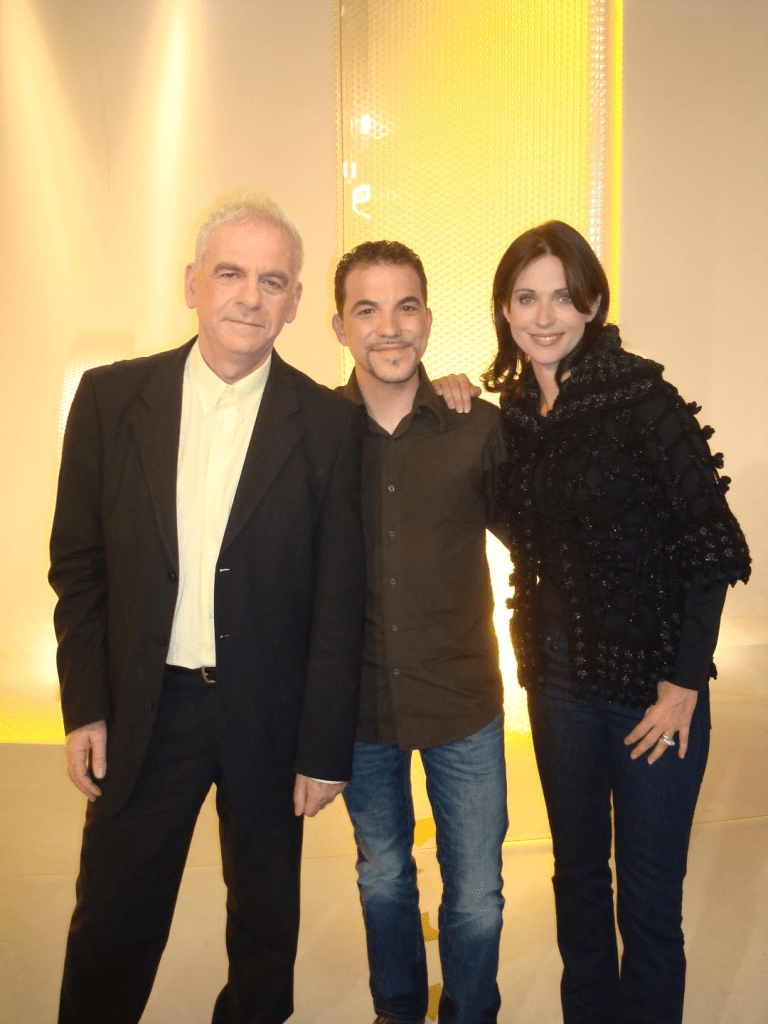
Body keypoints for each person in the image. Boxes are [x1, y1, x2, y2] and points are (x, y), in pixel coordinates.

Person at [49, 190, 365, 1024]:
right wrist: (86, 706)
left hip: (270, 715)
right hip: (145, 708)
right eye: (230, 274)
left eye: (272, 281)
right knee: (112, 920)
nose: (249, 297)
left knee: (265, 929)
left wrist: (324, 746)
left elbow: (340, 603)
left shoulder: (330, 427)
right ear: (192, 282)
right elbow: (79, 568)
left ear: (295, 302)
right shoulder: (111, 401)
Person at [482, 220, 750, 1024]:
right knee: (576, 879)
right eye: (526, 298)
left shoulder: (642, 399)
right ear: (504, 309)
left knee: (649, 900)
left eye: (563, 296)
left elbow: (714, 547)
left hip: (650, 690)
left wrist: (682, 685)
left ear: (593, 303)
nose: (545, 316)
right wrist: (451, 399)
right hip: (558, 685)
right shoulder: (514, 417)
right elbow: (516, 524)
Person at [331, 240, 509, 1024]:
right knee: (383, 880)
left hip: (462, 701)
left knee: (477, 895)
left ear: (429, 321)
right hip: (359, 708)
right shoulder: (314, 432)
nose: (389, 327)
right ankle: (397, 1011)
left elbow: (546, 545)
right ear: (340, 327)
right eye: (367, 309)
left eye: (405, 307)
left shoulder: (478, 427)